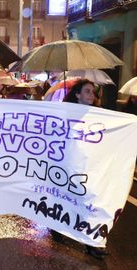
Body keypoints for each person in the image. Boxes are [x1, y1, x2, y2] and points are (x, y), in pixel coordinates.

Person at [53, 78, 109, 260]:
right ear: (77, 95)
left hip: (89, 166)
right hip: (67, 165)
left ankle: (91, 242)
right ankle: (55, 225)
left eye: (93, 91)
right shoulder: (66, 114)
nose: (92, 94)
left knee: (89, 203)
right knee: (65, 199)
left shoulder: (99, 114)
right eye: (87, 91)